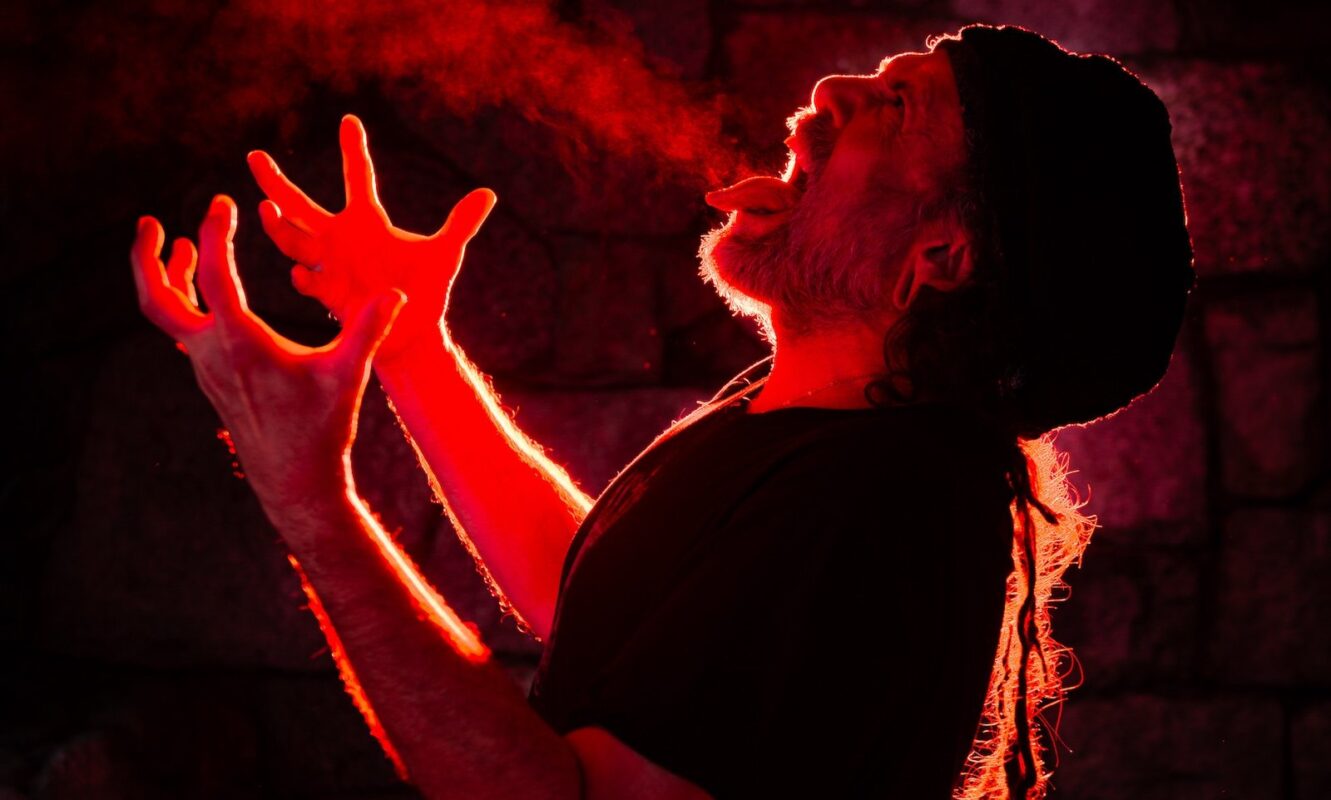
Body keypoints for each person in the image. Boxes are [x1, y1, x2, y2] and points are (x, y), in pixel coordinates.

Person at [130, 23, 1193, 800]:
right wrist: (411, 345)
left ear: (942, 255)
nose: (830, 91)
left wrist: (312, 505)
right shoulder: (816, 427)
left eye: (897, 107)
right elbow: (596, 598)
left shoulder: (877, 500)